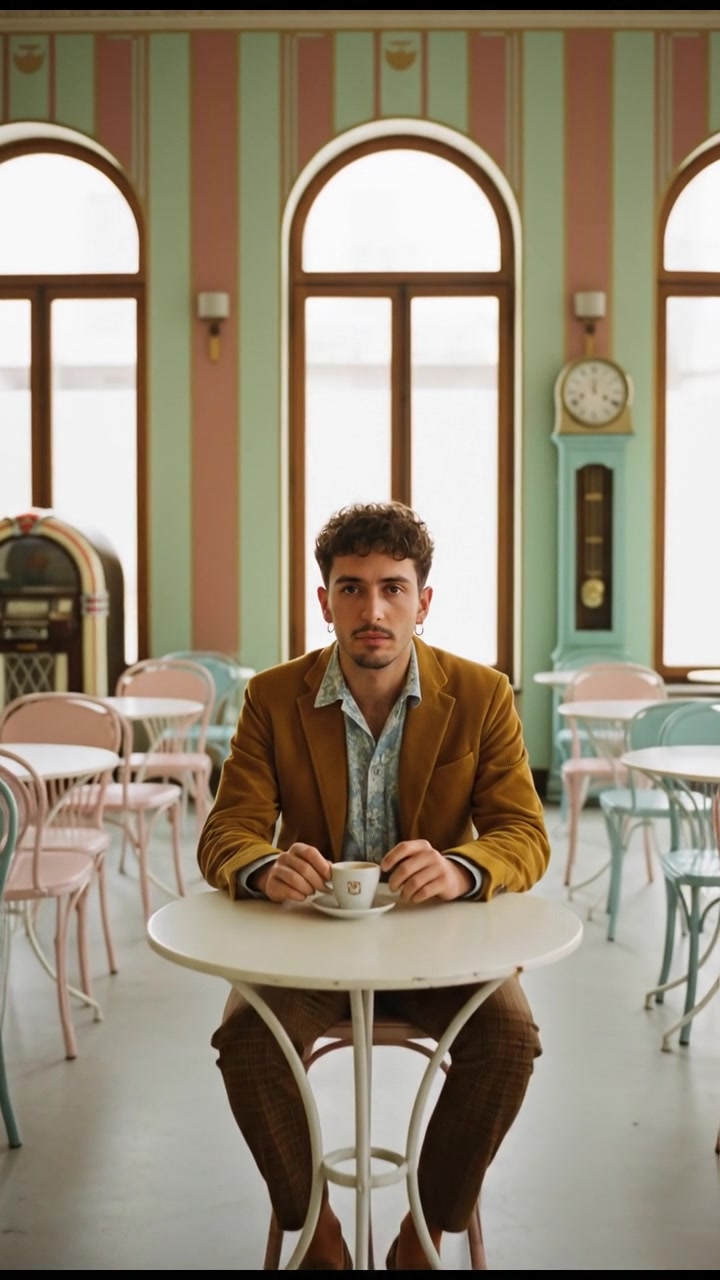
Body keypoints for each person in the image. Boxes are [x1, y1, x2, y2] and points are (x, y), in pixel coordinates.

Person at [197, 501, 550, 1270]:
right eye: (351, 588)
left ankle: (421, 1242)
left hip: (442, 946)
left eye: (393, 588)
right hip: (309, 950)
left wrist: (463, 867)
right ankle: (318, 1234)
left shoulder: (483, 694)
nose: (373, 610)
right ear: (323, 602)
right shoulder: (271, 697)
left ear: (424, 602)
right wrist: (264, 866)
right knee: (249, 1044)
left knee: (509, 1040)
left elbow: (525, 834)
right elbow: (226, 833)